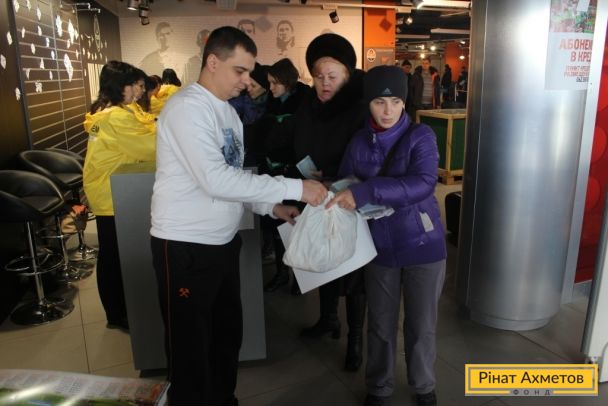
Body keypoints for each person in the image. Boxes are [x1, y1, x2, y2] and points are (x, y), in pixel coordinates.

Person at [149, 26, 327, 405]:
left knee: (226, 334)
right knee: (190, 346)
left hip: (223, 243)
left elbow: (235, 178)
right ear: (213, 62)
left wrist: (269, 206)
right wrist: (295, 188)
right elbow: (214, 179)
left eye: (249, 72)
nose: (247, 81)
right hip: (185, 246)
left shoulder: (228, 114)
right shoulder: (187, 108)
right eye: (240, 71)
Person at [327, 65, 446, 406]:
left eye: (395, 102)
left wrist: (365, 192)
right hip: (379, 247)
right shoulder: (359, 141)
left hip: (423, 244)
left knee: (421, 325)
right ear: (369, 103)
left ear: (404, 102)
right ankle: (379, 387)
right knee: (379, 323)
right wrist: (330, 188)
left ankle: (423, 386)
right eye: (380, 102)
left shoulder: (421, 136)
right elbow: (347, 180)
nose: (388, 110)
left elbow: (423, 183)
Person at [266, 33, 367, 372]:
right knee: (324, 257)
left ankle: (355, 339)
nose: (324, 83)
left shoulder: (361, 108)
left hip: (351, 199)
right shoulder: (308, 106)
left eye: (332, 76)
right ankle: (327, 319)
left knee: (353, 271)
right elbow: (294, 139)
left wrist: (336, 178)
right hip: (317, 195)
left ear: (347, 75)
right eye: (318, 76)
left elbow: (370, 158)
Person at [82, 61, 156, 332]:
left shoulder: (118, 110)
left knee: (113, 252)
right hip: (111, 193)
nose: (139, 90)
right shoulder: (115, 117)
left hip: (111, 189)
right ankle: (116, 313)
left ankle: (118, 309)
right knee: (113, 255)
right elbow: (149, 147)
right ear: (119, 86)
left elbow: (146, 127)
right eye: (134, 84)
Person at [260, 58, 311, 293]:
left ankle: (300, 278)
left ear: (287, 81)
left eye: (275, 83)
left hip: (296, 174)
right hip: (274, 172)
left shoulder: (305, 102)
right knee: (277, 226)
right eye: (269, 83)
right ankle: (282, 273)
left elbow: (306, 140)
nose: (270, 88)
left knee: (297, 226)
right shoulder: (271, 103)